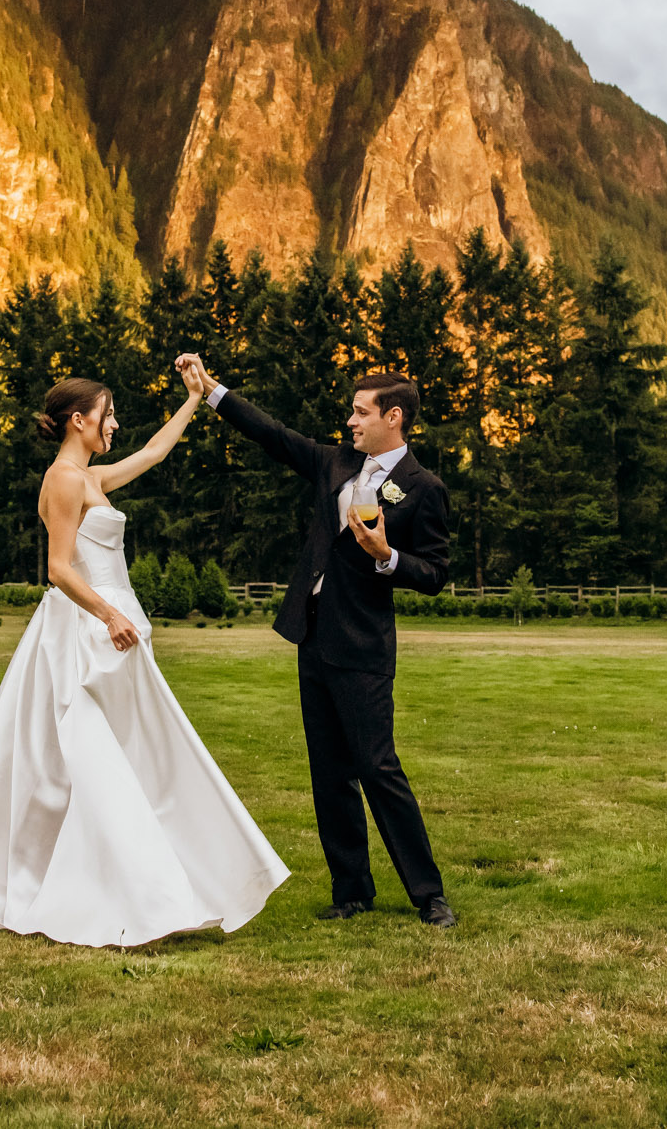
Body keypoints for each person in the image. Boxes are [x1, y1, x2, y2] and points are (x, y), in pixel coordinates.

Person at [0, 366, 290, 948]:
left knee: (139, 752)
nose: (116, 424)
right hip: (89, 631)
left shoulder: (90, 476)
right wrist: (110, 615)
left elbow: (152, 452)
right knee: (94, 756)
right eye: (108, 413)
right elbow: (59, 568)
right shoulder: (65, 481)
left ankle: (149, 878)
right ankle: (120, 889)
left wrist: (194, 399)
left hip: (115, 628)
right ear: (80, 419)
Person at [178, 355, 456, 928]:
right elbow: (272, 435)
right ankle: (351, 890)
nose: (351, 421)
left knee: (378, 769)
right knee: (329, 773)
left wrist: (388, 558)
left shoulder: (423, 489)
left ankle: (429, 894)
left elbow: (435, 573)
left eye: (361, 412)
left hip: (365, 647)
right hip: (313, 636)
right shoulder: (335, 463)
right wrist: (211, 392)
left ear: (394, 418)